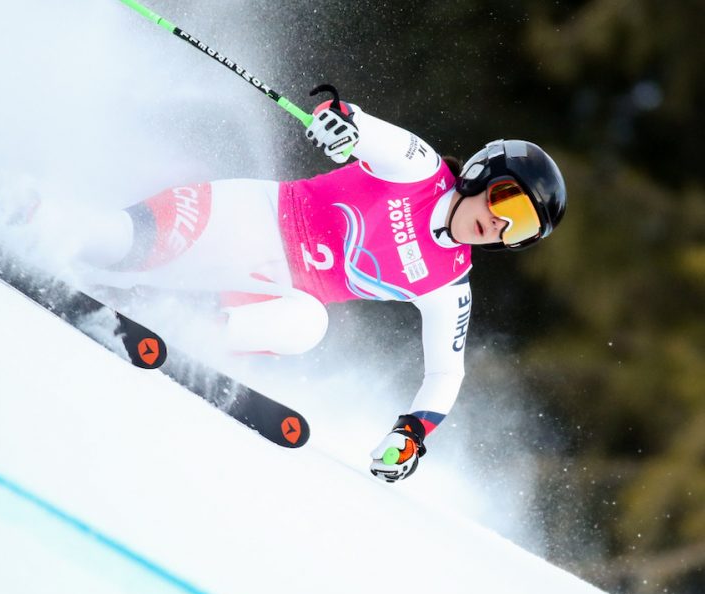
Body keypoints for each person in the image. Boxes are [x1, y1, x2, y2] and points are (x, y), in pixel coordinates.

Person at [69, 95, 567, 483]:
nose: (500, 225)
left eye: (520, 227)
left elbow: (445, 372)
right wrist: (340, 124)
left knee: (308, 322)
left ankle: (170, 321)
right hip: (251, 219)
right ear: (482, 174)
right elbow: (358, 123)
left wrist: (412, 433)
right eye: (508, 203)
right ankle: (30, 218)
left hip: (263, 289)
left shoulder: (449, 282)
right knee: (118, 242)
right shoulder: (420, 168)